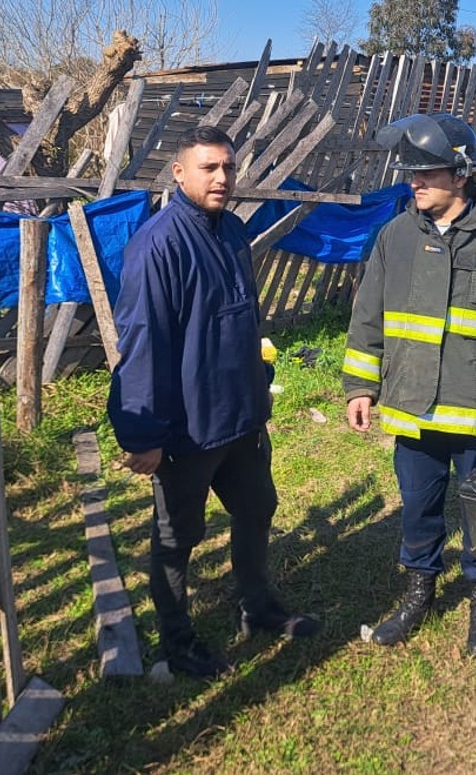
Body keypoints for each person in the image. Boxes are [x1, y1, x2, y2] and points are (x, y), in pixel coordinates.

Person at [109, 126, 320, 679]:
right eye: (209, 168)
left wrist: (257, 380)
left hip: (241, 415)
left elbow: (238, 320)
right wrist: (143, 434)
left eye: (228, 167)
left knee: (257, 510)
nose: (223, 178)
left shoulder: (230, 233)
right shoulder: (158, 245)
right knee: (177, 538)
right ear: (179, 172)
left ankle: (257, 605)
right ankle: (178, 644)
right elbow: (142, 342)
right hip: (187, 427)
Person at [343, 113, 476, 660]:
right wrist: (360, 386)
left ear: (461, 175)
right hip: (413, 407)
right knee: (418, 507)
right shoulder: (395, 236)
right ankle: (419, 592)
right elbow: (368, 316)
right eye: (410, 173)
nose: (414, 183)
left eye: (428, 173)